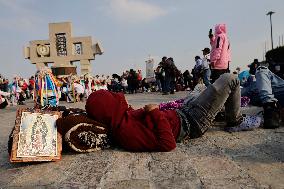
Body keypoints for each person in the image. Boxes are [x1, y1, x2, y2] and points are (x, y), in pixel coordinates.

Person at [78, 73, 261, 152]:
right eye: (110, 97)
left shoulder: (121, 117)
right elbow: (168, 144)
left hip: (184, 112)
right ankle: (234, 121)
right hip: (193, 122)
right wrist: (155, 113)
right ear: (107, 108)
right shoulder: (127, 133)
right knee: (230, 79)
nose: (116, 96)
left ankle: (222, 111)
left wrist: (151, 112)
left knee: (199, 87)